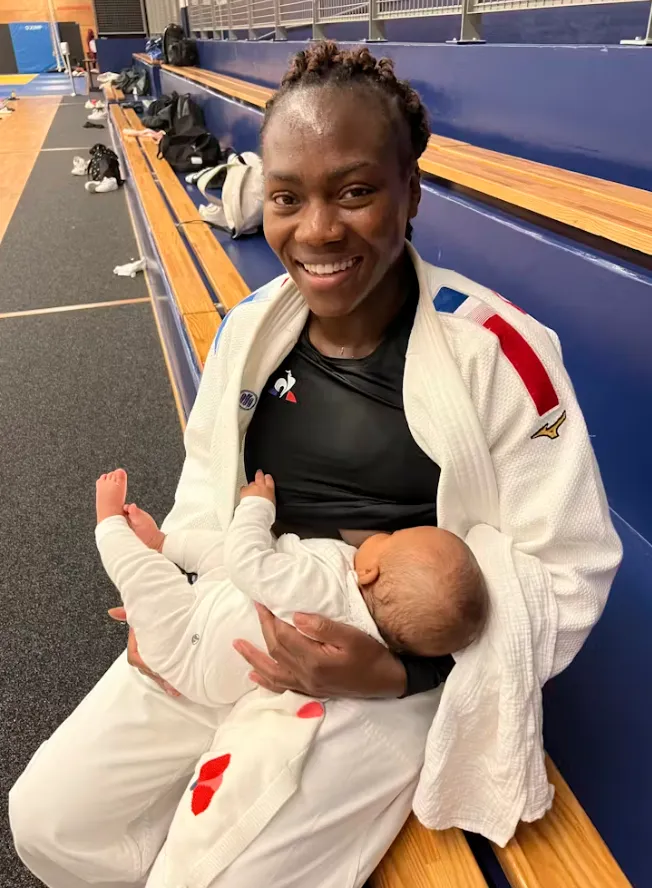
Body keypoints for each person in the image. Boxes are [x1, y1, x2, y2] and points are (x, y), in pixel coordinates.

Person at [9, 41, 621, 888]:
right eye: (289, 198)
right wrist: (178, 589)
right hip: (237, 613)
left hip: (374, 671)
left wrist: (401, 668)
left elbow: (571, 565)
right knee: (48, 824)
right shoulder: (254, 328)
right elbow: (207, 485)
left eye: (357, 191)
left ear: (412, 192)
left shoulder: (498, 353)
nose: (317, 230)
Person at [92, 466, 486, 887]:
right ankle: (161, 543)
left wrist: (256, 508)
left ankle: (109, 527)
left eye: (392, 539)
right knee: (219, 557)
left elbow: (247, 564)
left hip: (189, 646)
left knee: (149, 580)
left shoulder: (325, 590)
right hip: (223, 609)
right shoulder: (372, 620)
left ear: (370, 574)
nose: (383, 534)